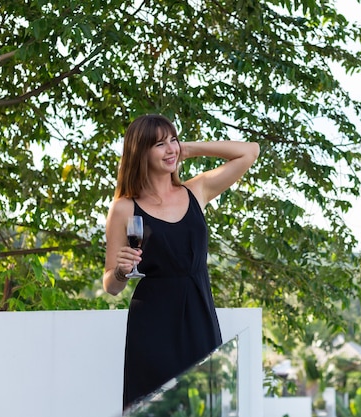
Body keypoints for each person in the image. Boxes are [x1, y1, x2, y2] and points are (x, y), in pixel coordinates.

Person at [102, 114, 260, 411]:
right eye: (159, 144)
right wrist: (121, 271)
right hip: (152, 327)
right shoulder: (123, 208)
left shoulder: (196, 190)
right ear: (140, 152)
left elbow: (249, 151)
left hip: (200, 319)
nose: (170, 149)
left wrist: (188, 148)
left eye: (172, 140)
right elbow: (110, 285)